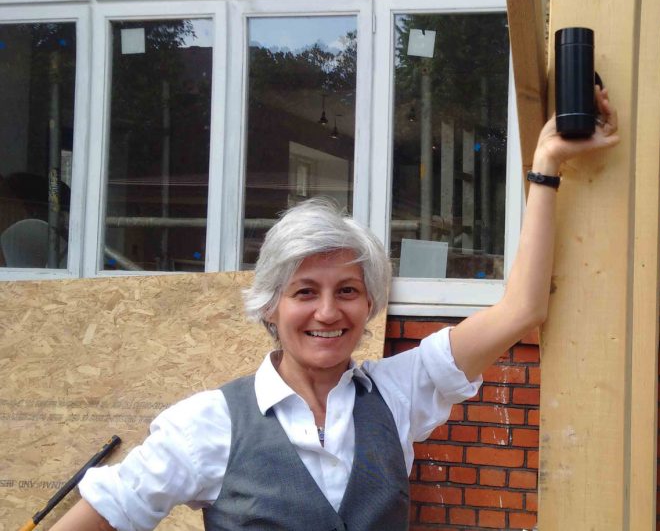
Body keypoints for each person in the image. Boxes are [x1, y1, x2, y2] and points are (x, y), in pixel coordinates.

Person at [51, 88, 619, 531]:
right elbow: (106, 515)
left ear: (370, 302)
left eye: (347, 290)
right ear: (271, 306)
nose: (328, 312)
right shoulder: (207, 424)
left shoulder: (399, 393)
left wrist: (547, 166)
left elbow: (521, 308)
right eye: (304, 292)